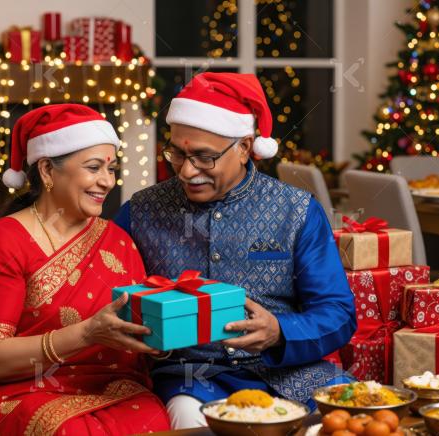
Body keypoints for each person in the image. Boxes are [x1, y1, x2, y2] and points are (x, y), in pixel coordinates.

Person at [115, 72, 357, 429]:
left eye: (203, 157)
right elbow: (106, 299)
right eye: (177, 154)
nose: (186, 170)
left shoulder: (296, 211)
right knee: (189, 421)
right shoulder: (140, 212)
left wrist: (279, 331)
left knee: (355, 418)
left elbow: (338, 312)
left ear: (245, 147)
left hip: (289, 372)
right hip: (190, 379)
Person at [0, 104, 170, 435]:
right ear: (48, 170)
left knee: (153, 422)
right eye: (94, 168)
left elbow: (134, 339)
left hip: (110, 389)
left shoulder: (118, 241)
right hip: (19, 389)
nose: (107, 182)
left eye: (111, 169)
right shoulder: (3, 240)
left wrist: (162, 338)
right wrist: (85, 333)